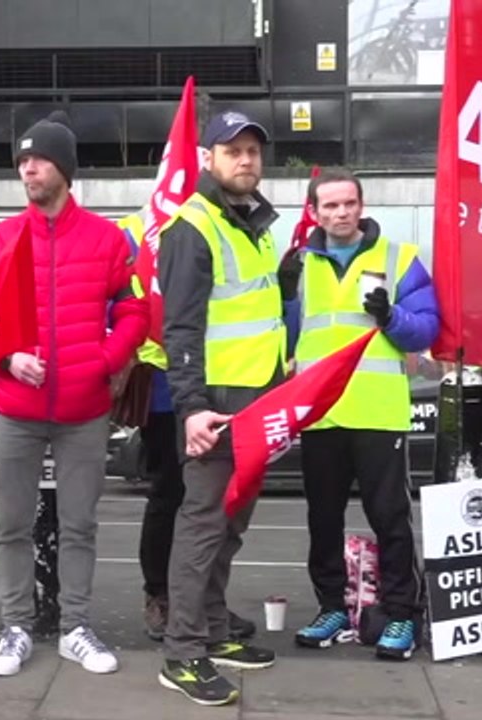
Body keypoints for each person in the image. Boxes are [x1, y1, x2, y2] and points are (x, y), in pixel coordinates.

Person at [0, 111, 148, 677]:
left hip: (83, 411)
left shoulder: (106, 239)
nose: (28, 169)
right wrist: (5, 358)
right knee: (11, 526)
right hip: (15, 410)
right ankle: (16, 627)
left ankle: (75, 628)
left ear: (65, 170)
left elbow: (135, 309)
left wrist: (105, 360)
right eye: (22, 161)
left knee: (80, 525)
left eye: (39, 159)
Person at [278, 169, 438, 659]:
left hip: (378, 413)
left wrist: (392, 317)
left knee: (390, 519)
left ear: (362, 205)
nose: (340, 213)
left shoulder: (399, 258)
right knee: (321, 519)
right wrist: (284, 296)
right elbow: (284, 337)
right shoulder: (298, 264)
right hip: (320, 414)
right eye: (329, 206)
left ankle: (400, 615)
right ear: (314, 212)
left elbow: (428, 329)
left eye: (348, 203)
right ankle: (331, 608)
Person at [155, 111, 283, 706]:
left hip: (257, 399)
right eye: (233, 150)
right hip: (217, 405)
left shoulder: (255, 225)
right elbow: (179, 329)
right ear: (208, 158)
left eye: (254, 149)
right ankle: (182, 653)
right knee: (202, 526)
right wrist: (192, 410)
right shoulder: (193, 227)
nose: (246, 160)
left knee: (230, 525)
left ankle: (213, 627)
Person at [116, 210, 258, 643]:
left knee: (217, 503)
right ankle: (161, 597)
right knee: (170, 495)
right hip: (163, 385)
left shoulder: (223, 221)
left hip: (217, 382)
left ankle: (204, 607)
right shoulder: (131, 229)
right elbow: (119, 301)